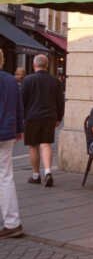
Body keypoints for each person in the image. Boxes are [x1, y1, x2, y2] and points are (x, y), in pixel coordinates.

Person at [21, 54, 64, 188]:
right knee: (46, 144)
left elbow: (23, 100)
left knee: (33, 146)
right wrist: (59, 118)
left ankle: (35, 175)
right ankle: (48, 172)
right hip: (49, 117)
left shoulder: (27, 80)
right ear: (47, 65)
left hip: (32, 117)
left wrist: (22, 118)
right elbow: (60, 102)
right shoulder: (55, 81)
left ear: (34, 65)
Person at [0, 50, 24, 238]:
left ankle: (12, 222)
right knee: (5, 177)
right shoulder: (11, 81)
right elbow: (18, 107)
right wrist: (19, 129)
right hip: (7, 133)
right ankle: (12, 222)